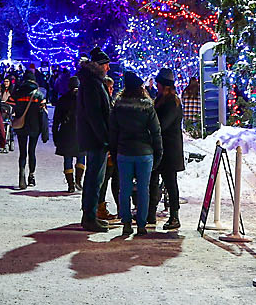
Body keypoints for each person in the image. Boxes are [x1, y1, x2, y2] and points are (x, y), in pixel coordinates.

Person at [108, 71, 162, 237]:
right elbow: (155, 131)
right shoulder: (147, 105)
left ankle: (126, 222)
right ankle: (141, 224)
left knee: (124, 188)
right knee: (143, 189)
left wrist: (114, 150)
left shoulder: (118, 105)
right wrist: (158, 152)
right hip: (145, 153)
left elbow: (113, 131)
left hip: (124, 152)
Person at [76, 49, 114, 231]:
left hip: (94, 137)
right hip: (96, 139)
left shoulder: (92, 82)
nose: (108, 67)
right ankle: (89, 216)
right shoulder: (92, 84)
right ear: (98, 65)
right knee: (94, 178)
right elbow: (95, 115)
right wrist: (105, 138)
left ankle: (90, 214)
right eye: (105, 64)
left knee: (94, 177)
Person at [149, 68, 185, 231]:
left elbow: (163, 124)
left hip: (169, 149)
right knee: (154, 181)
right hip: (161, 148)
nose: (156, 86)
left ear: (164, 85)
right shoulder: (161, 99)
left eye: (158, 83)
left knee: (170, 183)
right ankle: (151, 212)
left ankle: (174, 216)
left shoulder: (171, 102)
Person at [10, 74, 49, 188]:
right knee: (32, 151)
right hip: (35, 126)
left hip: (21, 125)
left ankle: (21, 175)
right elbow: (43, 113)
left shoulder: (17, 93)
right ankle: (31, 176)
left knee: (22, 152)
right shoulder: (39, 95)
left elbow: (9, 105)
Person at [53, 75, 83, 191]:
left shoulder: (62, 99)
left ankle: (70, 184)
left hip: (66, 132)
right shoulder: (84, 99)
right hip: (81, 132)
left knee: (68, 158)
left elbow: (56, 120)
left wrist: (55, 135)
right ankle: (79, 181)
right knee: (81, 158)